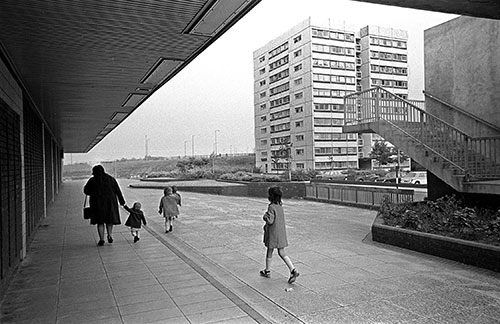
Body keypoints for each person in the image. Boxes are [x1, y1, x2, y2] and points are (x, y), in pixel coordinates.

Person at [260, 186, 299, 284]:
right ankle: (292, 269)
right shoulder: (280, 206)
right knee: (282, 252)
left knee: (269, 250)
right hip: (281, 233)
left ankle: (267, 270)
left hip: (273, 234)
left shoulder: (271, 207)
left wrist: (265, 216)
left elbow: (270, 220)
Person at [83, 165, 126, 246]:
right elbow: (118, 191)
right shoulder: (111, 179)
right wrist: (122, 201)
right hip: (110, 203)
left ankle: (101, 239)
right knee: (109, 221)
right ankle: (109, 235)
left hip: (97, 204)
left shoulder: (92, 180)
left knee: (100, 222)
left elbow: (86, 191)